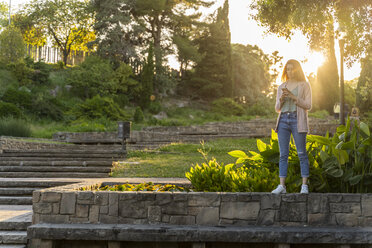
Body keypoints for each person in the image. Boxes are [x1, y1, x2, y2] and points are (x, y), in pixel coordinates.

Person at [272, 59, 312, 194]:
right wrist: (282, 99)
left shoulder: (304, 85)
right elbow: (277, 108)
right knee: (283, 154)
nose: (290, 72)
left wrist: (294, 98)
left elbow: (308, 105)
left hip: (297, 120)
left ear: (298, 70)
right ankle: (282, 186)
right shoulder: (281, 86)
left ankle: (304, 185)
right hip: (283, 119)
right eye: (288, 69)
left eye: (292, 69)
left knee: (301, 153)